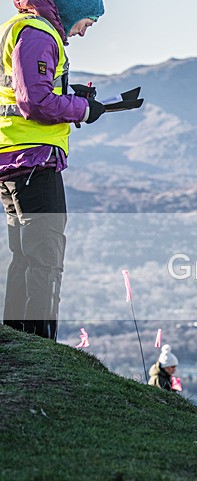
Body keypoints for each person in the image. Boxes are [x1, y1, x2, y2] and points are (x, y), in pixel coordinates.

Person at [0, 0, 106, 340]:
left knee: (25, 256)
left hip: (14, 157)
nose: (85, 31)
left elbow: (23, 93)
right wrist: (82, 109)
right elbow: (36, 102)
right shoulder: (38, 33)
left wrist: (72, 98)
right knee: (45, 256)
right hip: (32, 160)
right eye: (88, 21)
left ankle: (18, 339)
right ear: (72, 8)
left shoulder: (18, 27)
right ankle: (41, 344)